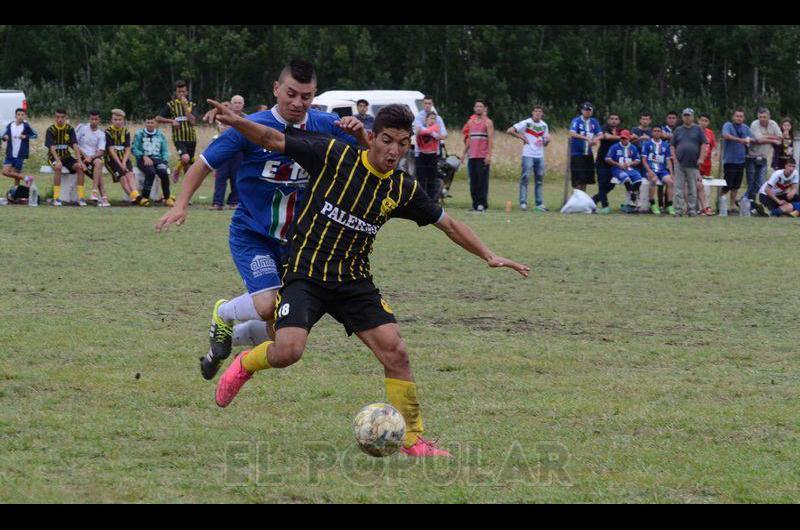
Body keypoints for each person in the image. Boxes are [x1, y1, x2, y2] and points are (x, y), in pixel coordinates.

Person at [207, 99, 531, 457]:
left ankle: (412, 439)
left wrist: (489, 255)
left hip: (353, 282)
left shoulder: (401, 188)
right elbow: (272, 137)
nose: (394, 151)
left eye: (403, 144)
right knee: (288, 351)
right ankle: (245, 363)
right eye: (388, 140)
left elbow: (449, 224)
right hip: (306, 274)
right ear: (372, 137)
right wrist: (238, 122)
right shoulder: (332, 154)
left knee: (396, 352)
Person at [155, 59, 365, 382]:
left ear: (315, 96)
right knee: (268, 304)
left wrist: (361, 133)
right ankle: (223, 312)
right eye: (291, 94)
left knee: (279, 332)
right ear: (276, 89)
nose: (297, 103)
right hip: (254, 234)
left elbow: (371, 152)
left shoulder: (327, 126)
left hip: (299, 242)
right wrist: (180, 204)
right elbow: (203, 165)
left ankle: (226, 340)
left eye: (306, 97)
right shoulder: (249, 126)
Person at [507, 105, 550, 212]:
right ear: (532, 113)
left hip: (539, 155)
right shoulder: (526, 123)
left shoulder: (544, 125)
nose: (538, 113)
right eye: (536, 111)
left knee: (539, 179)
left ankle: (539, 203)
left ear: (542, 114)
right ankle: (523, 202)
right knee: (525, 178)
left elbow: (545, 142)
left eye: (540, 111)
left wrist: (547, 141)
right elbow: (510, 130)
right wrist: (522, 137)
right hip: (528, 154)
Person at [157, 80, 199, 183]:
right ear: (176, 93)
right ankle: (176, 170)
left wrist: (185, 106)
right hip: (179, 138)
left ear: (187, 92)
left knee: (188, 168)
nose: (181, 94)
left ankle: (186, 195)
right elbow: (158, 118)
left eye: (183, 92)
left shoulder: (191, 105)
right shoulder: (170, 105)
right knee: (185, 158)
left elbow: (193, 122)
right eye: (179, 92)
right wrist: (171, 121)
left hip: (191, 138)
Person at [45, 108, 87, 207]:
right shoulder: (50, 130)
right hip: (53, 157)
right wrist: (58, 161)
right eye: (57, 117)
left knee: (80, 168)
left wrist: (80, 161)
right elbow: (52, 148)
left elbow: (75, 146)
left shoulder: (70, 129)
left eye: (62, 117)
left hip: (67, 157)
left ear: (66, 117)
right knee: (58, 167)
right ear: (55, 118)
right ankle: (56, 198)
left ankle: (81, 198)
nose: (60, 119)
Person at [670, 108, 708, 216]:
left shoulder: (698, 129)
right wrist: (674, 158)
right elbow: (672, 145)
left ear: (693, 117)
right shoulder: (678, 130)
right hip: (680, 164)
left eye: (689, 115)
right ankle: (678, 210)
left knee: (692, 188)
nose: (687, 117)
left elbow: (703, 145)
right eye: (685, 115)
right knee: (678, 188)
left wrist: (701, 158)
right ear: (682, 117)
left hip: (693, 164)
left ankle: (692, 210)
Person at [210, 96, 245, 210]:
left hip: (240, 151)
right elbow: (222, 130)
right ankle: (217, 203)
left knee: (237, 177)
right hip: (224, 150)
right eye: (235, 102)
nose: (237, 105)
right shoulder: (224, 116)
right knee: (221, 177)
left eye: (240, 103)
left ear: (243, 104)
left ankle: (234, 202)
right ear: (231, 104)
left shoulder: (248, 118)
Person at [746, 107, 782, 211]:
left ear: (769, 117)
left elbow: (780, 139)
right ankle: (748, 203)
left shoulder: (773, 124)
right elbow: (758, 139)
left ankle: (755, 205)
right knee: (751, 183)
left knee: (761, 184)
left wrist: (765, 136)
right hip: (751, 157)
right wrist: (772, 138)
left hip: (765, 158)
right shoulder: (754, 124)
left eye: (764, 117)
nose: (762, 119)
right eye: (760, 117)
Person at [460, 99, 493, 211]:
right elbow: (469, 139)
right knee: (473, 181)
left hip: (482, 156)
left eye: (481, 106)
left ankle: (482, 204)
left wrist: (489, 155)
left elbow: (491, 140)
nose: (478, 108)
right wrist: (464, 153)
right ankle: (475, 204)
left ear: (484, 108)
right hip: (472, 156)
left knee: (482, 182)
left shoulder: (488, 122)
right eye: (477, 106)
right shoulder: (470, 122)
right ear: (474, 108)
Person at [104, 109, 142, 204]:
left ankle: (136, 195)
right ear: (112, 120)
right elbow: (111, 150)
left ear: (123, 120)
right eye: (115, 119)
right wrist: (121, 164)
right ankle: (134, 198)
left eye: (120, 119)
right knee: (123, 177)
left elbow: (128, 148)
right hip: (111, 160)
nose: (118, 121)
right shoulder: (108, 132)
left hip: (124, 159)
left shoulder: (126, 131)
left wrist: (124, 162)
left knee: (129, 175)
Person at [132, 116, 172, 206]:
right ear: (145, 123)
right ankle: (145, 198)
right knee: (151, 172)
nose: (150, 124)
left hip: (157, 159)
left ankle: (167, 197)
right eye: (148, 122)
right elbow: (134, 149)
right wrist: (143, 156)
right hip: (143, 159)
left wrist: (165, 161)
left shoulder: (160, 135)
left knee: (163, 172)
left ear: (155, 124)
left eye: (152, 123)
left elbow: (164, 150)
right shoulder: (139, 134)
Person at [720, 108, 753, 214]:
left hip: (741, 160)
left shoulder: (746, 128)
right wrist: (740, 140)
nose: (739, 118)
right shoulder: (728, 125)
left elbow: (753, 138)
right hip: (730, 160)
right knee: (727, 184)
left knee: (736, 185)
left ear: (744, 118)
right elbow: (725, 135)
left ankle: (732, 206)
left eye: (741, 116)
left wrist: (749, 141)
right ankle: (721, 204)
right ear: (733, 117)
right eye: (737, 116)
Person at [76, 110, 111, 207]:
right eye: (92, 119)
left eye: (96, 119)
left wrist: (91, 157)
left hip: (92, 158)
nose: (93, 121)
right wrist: (84, 155)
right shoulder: (82, 128)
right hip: (81, 157)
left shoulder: (101, 134)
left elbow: (101, 151)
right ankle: (104, 197)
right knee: (98, 172)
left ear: (99, 120)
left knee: (99, 162)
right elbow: (74, 144)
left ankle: (94, 191)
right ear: (89, 119)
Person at [604, 130, 643, 211]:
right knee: (626, 178)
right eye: (622, 138)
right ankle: (632, 195)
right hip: (617, 169)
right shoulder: (614, 147)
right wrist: (618, 164)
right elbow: (607, 159)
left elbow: (638, 160)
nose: (623, 140)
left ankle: (632, 197)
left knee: (639, 179)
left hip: (630, 168)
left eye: (625, 138)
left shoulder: (633, 147)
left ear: (629, 138)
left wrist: (630, 164)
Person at [641, 125, 675, 215]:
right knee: (653, 179)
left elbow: (668, 160)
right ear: (652, 132)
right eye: (655, 131)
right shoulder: (647, 144)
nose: (657, 132)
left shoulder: (665, 145)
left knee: (670, 182)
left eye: (659, 131)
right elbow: (644, 160)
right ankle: (652, 203)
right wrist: (649, 171)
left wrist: (671, 173)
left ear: (661, 133)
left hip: (662, 170)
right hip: (650, 169)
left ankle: (669, 205)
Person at [568, 102, 602, 192]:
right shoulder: (576, 121)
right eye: (585, 110)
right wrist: (586, 138)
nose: (587, 112)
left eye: (589, 110)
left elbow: (600, 134)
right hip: (577, 153)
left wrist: (595, 139)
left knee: (586, 178)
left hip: (588, 153)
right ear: (582, 110)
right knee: (577, 178)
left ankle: (583, 199)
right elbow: (572, 133)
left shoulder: (594, 122)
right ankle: (576, 198)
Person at [592, 113, 622, 213]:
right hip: (602, 160)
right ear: (608, 120)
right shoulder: (604, 128)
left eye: (616, 119)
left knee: (612, 184)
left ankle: (594, 199)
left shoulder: (620, 131)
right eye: (612, 119)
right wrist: (621, 137)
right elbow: (607, 136)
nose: (614, 121)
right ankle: (605, 206)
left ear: (619, 121)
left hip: (614, 162)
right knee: (602, 183)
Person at [2, 108, 37, 190]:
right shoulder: (10, 125)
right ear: (15, 116)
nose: (20, 117)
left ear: (25, 116)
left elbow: (35, 135)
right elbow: (4, 136)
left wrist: (25, 136)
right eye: (18, 115)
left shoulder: (26, 126)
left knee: (16, 176)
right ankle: (26, 178)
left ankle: (15, 194)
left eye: (22, 115)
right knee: (5, 172)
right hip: (10, 153)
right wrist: (5, 137)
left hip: (20, 154)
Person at [415, 112, 443, 201]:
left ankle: (432, 200)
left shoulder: (436, 128)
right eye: (431, 118)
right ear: (426, 119)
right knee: (421, 180)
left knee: (432, 180)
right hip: (422, 156)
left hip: (432, 156)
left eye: (434, 119)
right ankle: (421, 200)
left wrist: (423, 131)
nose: (433, 120)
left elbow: (437, 135)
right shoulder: (422, 128)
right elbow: (419, 134)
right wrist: (423, 131)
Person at [696, 113, 717, 215]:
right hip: (696, 162)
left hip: (707, 163)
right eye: (702, 120)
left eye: (706, 121)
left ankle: (705, 207)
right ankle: (696, 207)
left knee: (706, 184)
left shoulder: (710, 133)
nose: (703, 123)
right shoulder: (694, 131)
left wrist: (714, 154)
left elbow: (713, 146)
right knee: (697, 184)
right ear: (698, 120)